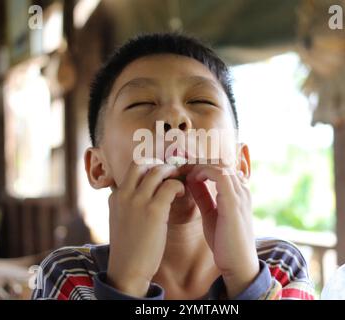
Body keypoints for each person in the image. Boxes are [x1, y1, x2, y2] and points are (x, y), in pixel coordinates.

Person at [32, 32, 315, 300]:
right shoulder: (67, 274)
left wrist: (246, 281)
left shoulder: (280, 266)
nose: (174, 118)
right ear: (98, 167)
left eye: (201, 101)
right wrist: (128, 282)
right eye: (141, 103)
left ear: (241, 164)